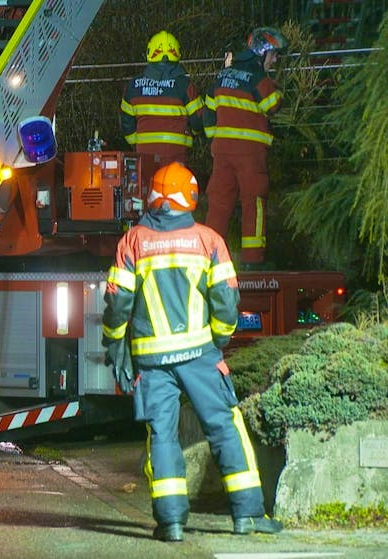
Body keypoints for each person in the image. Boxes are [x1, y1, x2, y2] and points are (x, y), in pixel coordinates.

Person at [102, 162, 282, 542]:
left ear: (152, 197)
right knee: (224, 427)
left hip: (151, 362)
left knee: (162, 436)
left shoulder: (132, 242)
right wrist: (216, 341)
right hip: (200, 355)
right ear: (192, 197)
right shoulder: (209, 240)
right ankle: (247, 515)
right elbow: (227, 303)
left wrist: (115, 342)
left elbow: (118, 305)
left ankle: (171, 523)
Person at [203, 27, 287, 268]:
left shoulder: (222, 76)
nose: (275, 59)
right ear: (261, 53)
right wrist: (276, 87)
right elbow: (273, 105)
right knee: (254, 203)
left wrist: (214, 142)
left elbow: (208, 112)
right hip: (250, 155)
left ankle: (209, 259)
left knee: (218, 204)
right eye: (273, 55)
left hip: (222, 154)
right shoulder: (258, 78)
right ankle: (253, 260)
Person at [120, 30, 204, 167]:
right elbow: (198, 120)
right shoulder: (184, 85)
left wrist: (137, 142)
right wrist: (192, 135)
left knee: (148, 187)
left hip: (144, 155)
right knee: (175, 187)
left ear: (149, 53)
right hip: (176, 153)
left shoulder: (133, 86)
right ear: (176, 53)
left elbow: (126, 123)